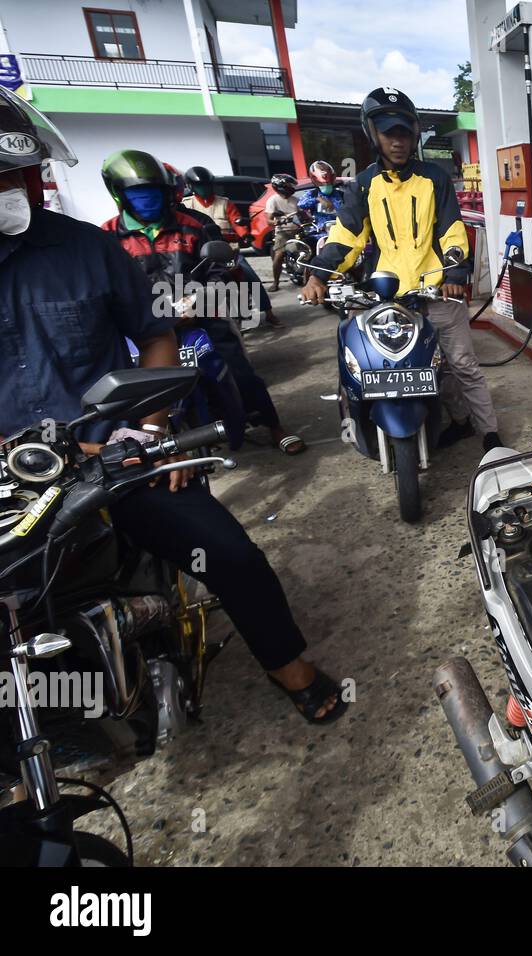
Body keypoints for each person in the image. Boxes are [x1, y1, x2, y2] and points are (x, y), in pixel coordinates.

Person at [0, 89, 343, 722]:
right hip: (13, 483)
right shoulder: (115, 233)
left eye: (13, 175)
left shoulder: (90, 250)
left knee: (231, 556)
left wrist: (149, 428)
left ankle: (286, 665)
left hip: (114, 456)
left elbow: (158, 333)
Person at [301, 88, 501, 452]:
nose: (397, 141)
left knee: (460, 365)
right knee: (373, 364)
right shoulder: (364, 185)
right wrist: (318, 274)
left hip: (436, 291)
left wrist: (455, 276)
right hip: (385, 294)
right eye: (389, 133)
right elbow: (346, 237)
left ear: (414, 135)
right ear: (372, 134)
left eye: (404, 133)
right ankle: (439, 420)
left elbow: (452, 231)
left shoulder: (435, 179)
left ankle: (488, 433)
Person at [100, 149, 305, 456]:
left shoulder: (193, 225)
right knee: (121, 387)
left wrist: (198, 299)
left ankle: (274, 425)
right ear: (121, 194)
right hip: (143, 328)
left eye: (154, 191)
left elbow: (219, 270)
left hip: (201, 315)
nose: (148, 198)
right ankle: (133, 450)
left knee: (238, 369)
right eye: (138, 192)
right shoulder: (107, 237)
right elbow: (103, 286)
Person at [170, 162, 279, 329]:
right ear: (191, 186)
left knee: (251, 278)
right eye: (200, 185)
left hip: (228, 252)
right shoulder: (187, 206)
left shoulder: (224, 203)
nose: (204, 188)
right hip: (198, 258)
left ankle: (269, 313)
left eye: (207, 184)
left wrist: (245, 234)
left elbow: (237, 222)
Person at [264, 172, 302, 291]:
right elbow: (268, 220)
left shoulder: (296, 200)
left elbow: (303, 214)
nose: (291, 188)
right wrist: (276, 222)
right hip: (283, 232)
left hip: (299, 230)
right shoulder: (273, 200)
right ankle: (276, 282)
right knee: (279, 255)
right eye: (289, 186)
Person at [298, 159, 344, 233]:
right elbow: (301, 204)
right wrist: (317, 199)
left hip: (342, 230)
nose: (326, 185)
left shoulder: (341, 194)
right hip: (322, 232)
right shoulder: (312, 194)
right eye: (322, 184)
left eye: (328, 183)